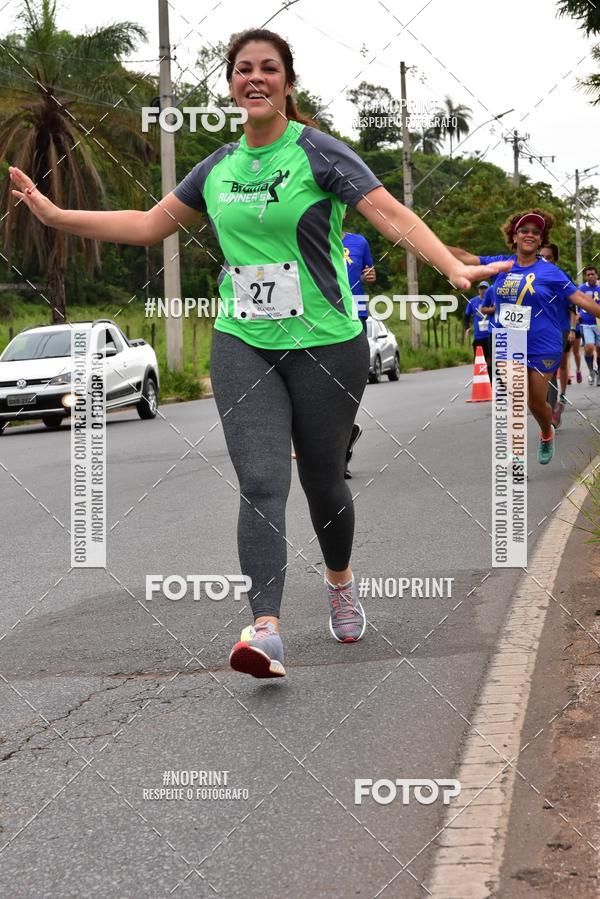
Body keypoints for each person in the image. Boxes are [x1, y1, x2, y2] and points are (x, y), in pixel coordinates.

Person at [8, 28, 512, 679]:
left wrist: (450, 264)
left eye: (268, 69)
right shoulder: (216, 167)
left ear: (287, 83)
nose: (255, 78)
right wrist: (54, 215)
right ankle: (266, 628)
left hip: (328, 343)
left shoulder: (320, 155)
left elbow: (390, 214)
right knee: (261, 481)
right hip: (242, 340)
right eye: (243, 69)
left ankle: (339, 580)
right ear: (230, 85)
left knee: (324, 479)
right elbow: (146, 223)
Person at [447, 209, 600, 464]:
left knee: (537, 402)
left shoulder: (551, 272)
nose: (530, 234)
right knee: (515, 395)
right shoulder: (500, 264)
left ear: (540, 240)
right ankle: (516, 454)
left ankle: (545, 432)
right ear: (514, 236)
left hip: (544, 344)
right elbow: (465, 257)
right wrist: (427, 241)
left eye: (536, 232)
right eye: (524, 230)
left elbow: (582, 300)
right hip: (510, 341)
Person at [341, 225, 376, 478]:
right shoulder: (307, 232)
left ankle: (342, 447)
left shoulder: (359, 242)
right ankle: (343, 434)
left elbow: (368, 273)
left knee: (348, 384)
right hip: (318, 316)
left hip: (355, 315)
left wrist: (369, 277)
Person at [539, 243, 577, 429]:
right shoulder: (533, 275)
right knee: (541, 371)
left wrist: (571, 329)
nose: (544, 260)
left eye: (549, 257)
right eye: (541, 256)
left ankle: (553, 410)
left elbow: (574, 305)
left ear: (556, 260)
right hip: (538, 330)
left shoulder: (562, 277)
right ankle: (551, 407)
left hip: (559, 328)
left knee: (552, 368)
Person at [463, 280, 496, 381]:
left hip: (489, 335)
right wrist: (467, 328)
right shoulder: (473, 301)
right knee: (479, 360)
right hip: (478, 336)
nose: (483, 291)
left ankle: (490, 381)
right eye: (481, 288)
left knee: (490, 360)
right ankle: (480, 380)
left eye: (485, 288)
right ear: (478, 290)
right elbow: (466, 316)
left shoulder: (491, 300)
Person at [578, 266, 600, 386]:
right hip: (586, 323)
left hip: (599, 324)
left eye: (593, 274)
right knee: (589, 347)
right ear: (586, 276)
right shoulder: (581, 288)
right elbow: (576, 304)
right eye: (588, 275)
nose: (591, 276)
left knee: (599, 349)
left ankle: (599, 374)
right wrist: (578, 314)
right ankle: (591, 371)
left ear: (597, 275)